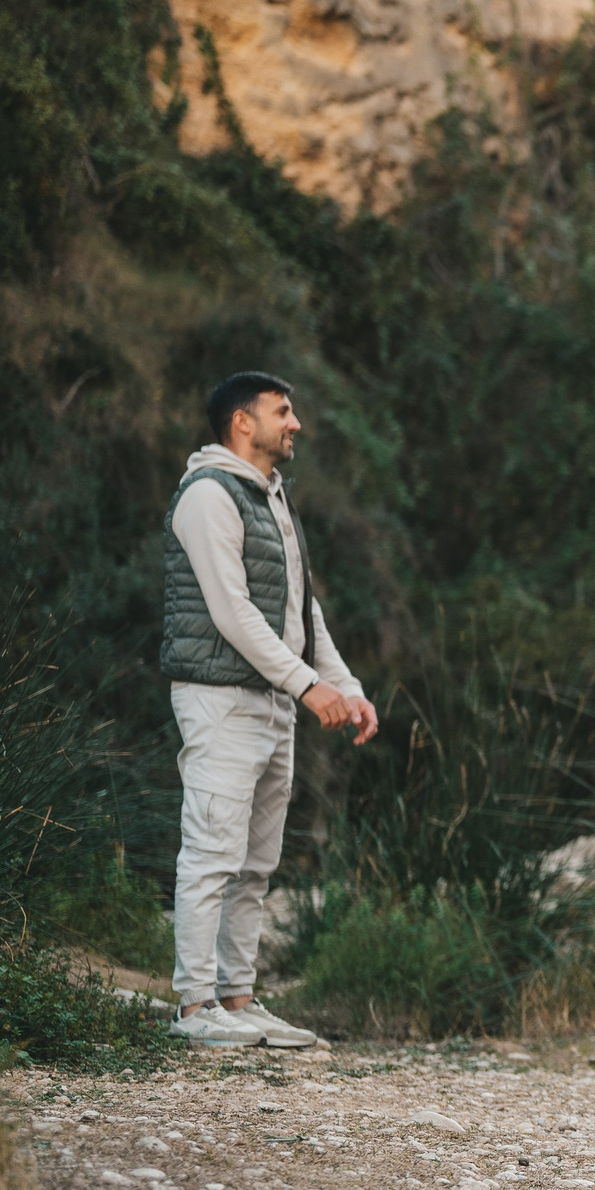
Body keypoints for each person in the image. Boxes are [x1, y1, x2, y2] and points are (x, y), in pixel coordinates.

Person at [161, 373, 379, 1048]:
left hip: (270, 700)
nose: (297, 423)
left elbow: (299, 610)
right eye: (283, 411)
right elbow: (232, 612)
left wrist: (344, 684)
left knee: (256, 861)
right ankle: (194, 1009)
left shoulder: (272, 498)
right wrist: (308, 687)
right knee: (212, 850)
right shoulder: (207, 496)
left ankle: (238, 996)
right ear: (240, 422)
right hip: (220, 695)